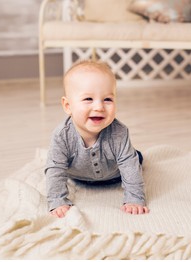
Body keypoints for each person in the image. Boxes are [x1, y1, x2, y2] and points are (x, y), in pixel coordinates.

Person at [45, 60, 149, 218]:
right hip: (78, 176)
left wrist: (134, 198)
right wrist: (57, 200)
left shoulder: (119, 132)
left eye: (108, 99)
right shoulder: (62, 136)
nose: (99, 107)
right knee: (53, 163)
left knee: (134, 160)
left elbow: (129, 167)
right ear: (68, 106)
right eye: (88, 99)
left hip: (115, 174)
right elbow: (55, 169)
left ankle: (136, 155)